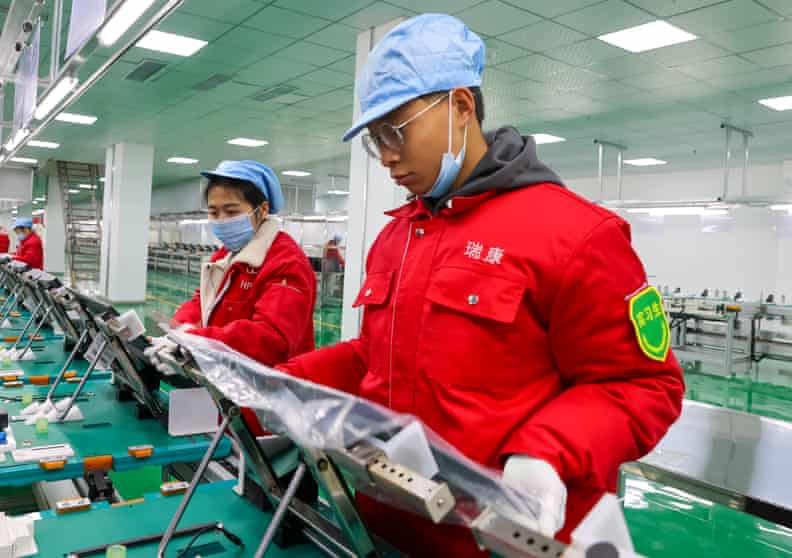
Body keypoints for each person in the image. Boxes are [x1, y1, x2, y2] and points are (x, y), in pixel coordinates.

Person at [277, 14, 684, 556]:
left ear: (461, 106)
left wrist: (546, 452)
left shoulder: (576, 234)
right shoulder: (399, 236)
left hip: (501, 540)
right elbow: (374, 361)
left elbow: (643, 386)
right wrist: (274, 383)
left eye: (396, 130)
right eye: (376, 140)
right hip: (386, 527)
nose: (388, 156)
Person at [147, 160, 317, 435]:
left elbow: (271, 338)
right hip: (226, 392)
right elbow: (200, 301)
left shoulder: (285, 261)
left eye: (231, 211)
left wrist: (197, 342)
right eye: (214, 212)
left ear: (261, 210)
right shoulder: (225, 255)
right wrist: (176, 333)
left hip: (264, 404)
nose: (221, 220)